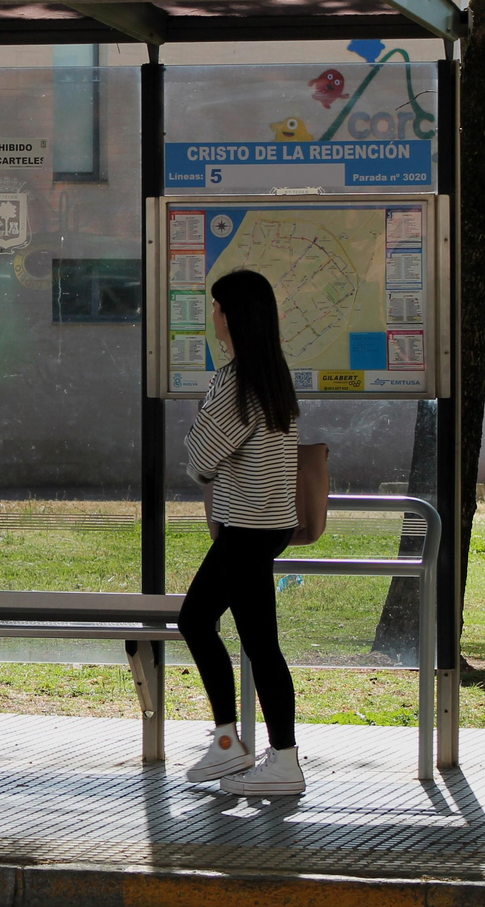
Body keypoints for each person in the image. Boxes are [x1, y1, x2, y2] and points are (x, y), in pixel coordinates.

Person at [180, 269, 304, 796]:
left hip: (245, 528)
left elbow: (201, 457)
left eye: (217, 307)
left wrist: (200, 423)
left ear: (234, 316)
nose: (213, 316)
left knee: (256, 643)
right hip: (266, 524)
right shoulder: (273, 374)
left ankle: (282, 759)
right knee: (200, 620)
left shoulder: (237, 381)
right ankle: (231, 745)